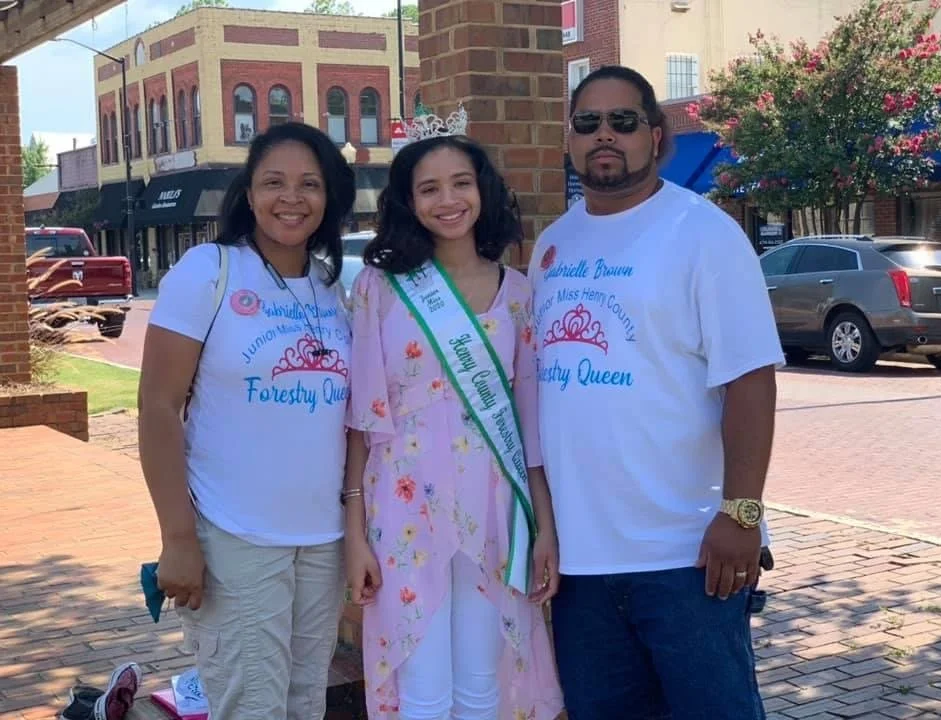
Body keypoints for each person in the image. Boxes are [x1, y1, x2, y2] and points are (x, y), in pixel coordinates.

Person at [528, 65, 783, 719]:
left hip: (686, 554)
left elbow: (750, 381)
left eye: (623, 121)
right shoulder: (552, 245)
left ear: (656, 134)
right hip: (581, 564)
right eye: (588, 122)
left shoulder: (703, 233)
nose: (604, 135)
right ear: (569, 137)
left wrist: (741, 514)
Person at [343, 126, 565, 720]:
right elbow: (362, 420)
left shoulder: (517, 293)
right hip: (402, 504)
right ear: (408, 201)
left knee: (480, 686)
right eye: (429, 189)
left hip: (494, 504)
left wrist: (544, 528)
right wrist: (354, 532)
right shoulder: (379, 289)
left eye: (461, 183)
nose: (448, 200)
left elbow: (529, 425)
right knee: (420, 685)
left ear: (483, 191)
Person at [138, 121, 356, 719]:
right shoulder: (209, 270)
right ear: (249, 192)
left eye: (310, 183)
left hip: (321, 539)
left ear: (329, 196)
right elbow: (158, 408)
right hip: (236, 536)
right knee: (251, 708)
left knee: (304, 705)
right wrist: (178, 539)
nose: (292, 198)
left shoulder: (329, 286)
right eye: (274, 182)